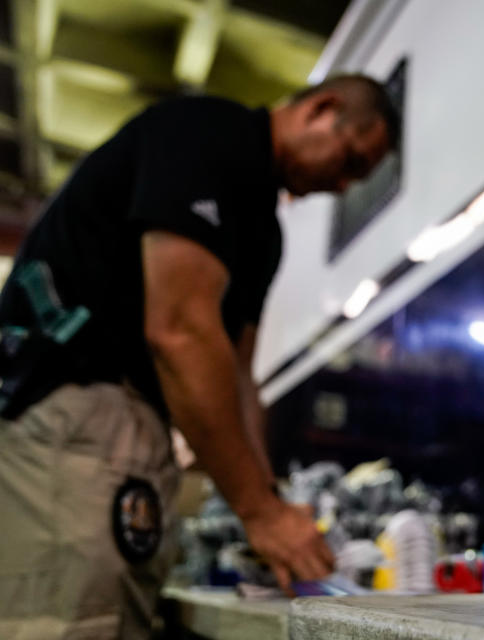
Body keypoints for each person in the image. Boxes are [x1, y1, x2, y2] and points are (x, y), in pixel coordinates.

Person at [0, 74, 399, 638]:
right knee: (69, 622)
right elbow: (181, 330)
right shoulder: (211, 135)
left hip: (127, 430)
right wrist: (260, 516)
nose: (342, 185)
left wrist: (270, 501)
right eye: (352, 161)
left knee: (116, 616)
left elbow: (239, 379)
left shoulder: (264, 232)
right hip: (73, 413)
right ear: (321, 109)